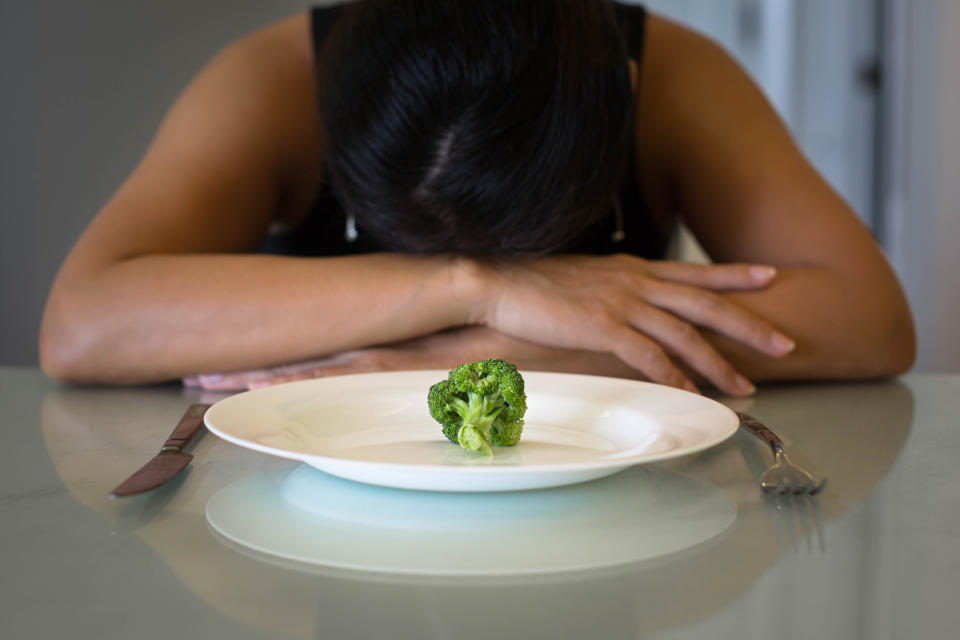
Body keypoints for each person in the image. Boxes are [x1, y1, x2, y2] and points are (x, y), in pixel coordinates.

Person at [38, 0, 915, 395]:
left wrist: (465, 357)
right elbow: (83, 323)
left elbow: (869, 318)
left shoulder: (672, 76)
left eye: (524, 248)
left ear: (624, 89)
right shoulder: (270, 82)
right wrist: (479, 288)